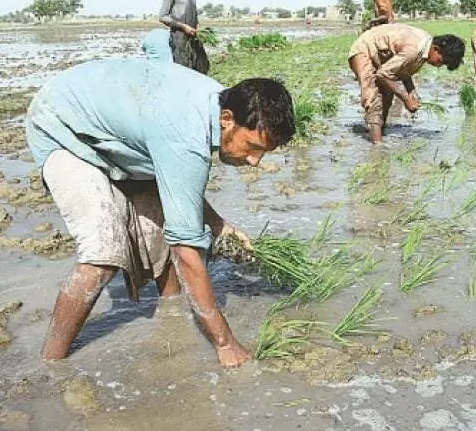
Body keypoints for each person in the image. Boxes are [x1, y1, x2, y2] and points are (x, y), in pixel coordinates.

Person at [25, 55, 296, 368]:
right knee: (104, 251)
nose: (254, 162)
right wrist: (225, 342)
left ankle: (171, 320)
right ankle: (50, 365)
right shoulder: (186, 134)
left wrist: (220, 227)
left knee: (160, 239)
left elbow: (179, 188)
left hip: (122, 132)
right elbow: (187, 251)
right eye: (253, 148)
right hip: (63, 127)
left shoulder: (223, 105)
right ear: (227, 119)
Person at [348, 23, 465, 144]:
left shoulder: (424, 49)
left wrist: (411, 91)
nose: (439, 65)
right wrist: (405, 98)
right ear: (436, 49)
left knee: (387, 95)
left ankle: (379, 132)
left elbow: (403, 71)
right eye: (441, 61)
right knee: (374, 97)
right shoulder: (414, 50)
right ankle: (377, 148)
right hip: (364, 50)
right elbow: (382, 74)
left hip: (382, 56)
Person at [159, 0, 210, 74]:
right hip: (179, 39)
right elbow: (162, 16)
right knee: (183, 71)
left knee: (200, 68)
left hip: (193, 37)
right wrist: (183, 27)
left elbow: (195, 15)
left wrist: (198, 28)